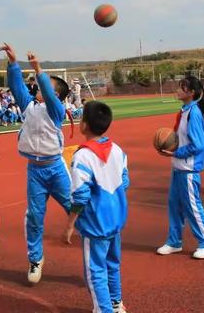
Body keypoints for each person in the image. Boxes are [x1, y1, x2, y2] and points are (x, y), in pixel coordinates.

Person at [0, 42, 71, 284]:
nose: (39, 88)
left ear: (57, 95)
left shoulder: (56, 110)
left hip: (56, 169)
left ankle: (98, 247)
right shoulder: (29, 106)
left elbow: (49, 95)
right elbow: (16, 86)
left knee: (77, 209)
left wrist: (38, 69)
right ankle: (35, 259)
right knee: (34, 217)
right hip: (35, 171)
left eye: (46, 86)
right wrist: (13, 63)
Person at [64, 101, 129, 313]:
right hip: (115, 220)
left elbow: (80, 196)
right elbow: (125, 181)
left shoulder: (82, 156)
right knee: (112, 265)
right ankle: (117, 304)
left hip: (94, 224)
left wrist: (70, 224)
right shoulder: (118, 150)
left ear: (84, 125)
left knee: (95, 272)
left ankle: (103, 309)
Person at [156, 76, 204, 259]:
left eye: (181, 87)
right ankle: (174, 242)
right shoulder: (184, 111)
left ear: (191, 92)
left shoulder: (194, 113)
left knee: (192, 207)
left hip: (189, 169)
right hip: (178, 168)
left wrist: (175, 153)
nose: (177, 90)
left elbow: (198, 145)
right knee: (174, 206)